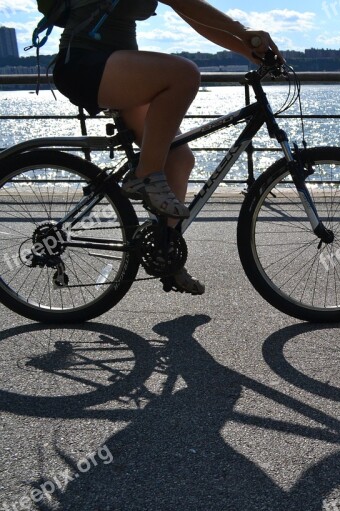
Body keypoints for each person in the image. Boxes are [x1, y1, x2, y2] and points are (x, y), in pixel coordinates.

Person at [52, 0, 284, 295]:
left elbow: (192, 16)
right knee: (183, 74)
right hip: (85, 64)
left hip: (114, 66)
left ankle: (166, 255)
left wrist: (251, 51)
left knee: (178, 159)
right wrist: (244, 31)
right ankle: (144, 176)